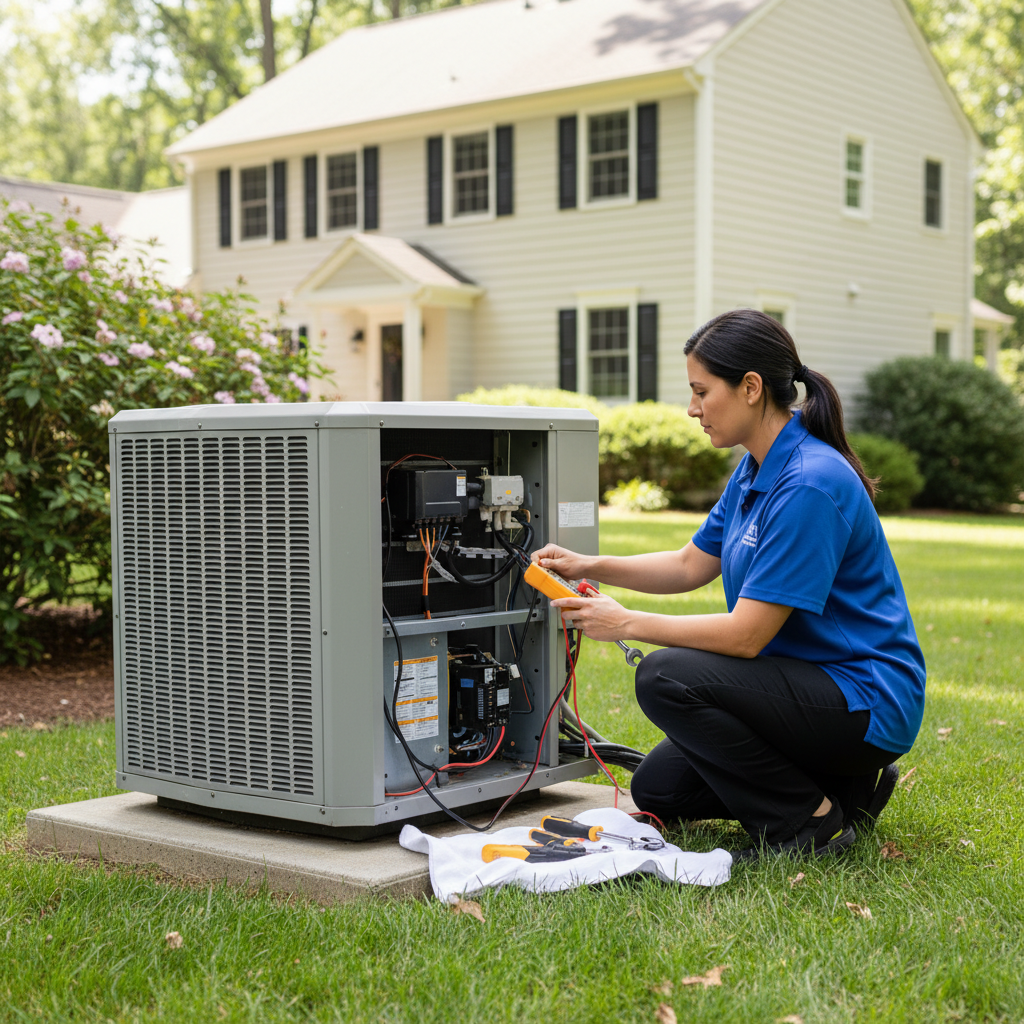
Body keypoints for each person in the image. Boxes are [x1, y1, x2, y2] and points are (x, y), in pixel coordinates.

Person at [533, 309, 926, 860]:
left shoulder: (810, 482)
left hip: (863, 697)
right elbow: (689, 564)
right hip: (805, 688)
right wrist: (587, 565)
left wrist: (626, 624)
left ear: (750, 388)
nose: (692, 409)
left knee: (666, 675)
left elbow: (746, 637)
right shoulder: (754, 470)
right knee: (657, 788)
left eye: (701, 391)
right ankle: (847, 786)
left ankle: (811, 825)